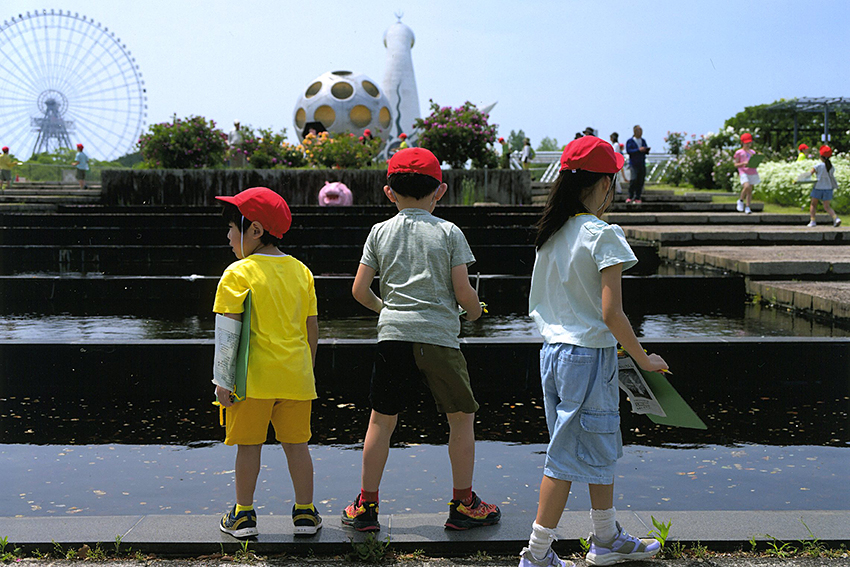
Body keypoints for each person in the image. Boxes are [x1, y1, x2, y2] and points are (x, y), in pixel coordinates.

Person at [518, 136, 667, 567]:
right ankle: (537, 554)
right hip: (587, 356)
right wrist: (643, 358)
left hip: (555, 354)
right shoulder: (602, 234)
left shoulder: (551, 234)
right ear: (605, 183)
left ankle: (606, 537)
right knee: (565, 456)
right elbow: (611, 312)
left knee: (598, 445)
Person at [342, 147, 501, 532]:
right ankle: (463, 505)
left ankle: (366, 507)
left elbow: (359, 290)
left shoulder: (379, 232)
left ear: (389, 192)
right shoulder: (448, 232)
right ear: (440, 191)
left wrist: (387, 309)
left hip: (393, 337)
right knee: (461, 419)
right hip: (439, 339)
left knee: (381, 421)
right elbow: (462, 290)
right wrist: (474, 312)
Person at [212, 187, 322, 538]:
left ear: (256, 230)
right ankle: (305, 514)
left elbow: (228, 333)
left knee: (248, 447)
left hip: (252, 381)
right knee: (297, 446)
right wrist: (306, 371)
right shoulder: (301, 271)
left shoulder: (237, 273)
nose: (229, 236)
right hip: (296, 378)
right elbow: (311, 329)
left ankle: (243, 515)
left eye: (233, 228)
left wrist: (222, 381)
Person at [806, 146, 841, 228]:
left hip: (818, 188)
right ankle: (836, 218)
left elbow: (810, 173)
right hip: (828, 188)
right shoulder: (831, 166)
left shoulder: (818, 166)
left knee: (813, 204)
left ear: (821, 156)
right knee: (827, 206)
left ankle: (812, 221)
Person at [734, 133, 759, 214]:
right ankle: (741, 200)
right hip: (743, 171)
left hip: (752, 171)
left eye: (749, 143)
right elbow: (735, 164)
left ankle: (748, 206)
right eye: (746, 143)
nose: (748, 145)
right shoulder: (739, 152)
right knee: (746, 186)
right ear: (742, 143)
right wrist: (743, 163)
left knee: (749, 190)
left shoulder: (752, 152)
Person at [625, 125, 649, 204]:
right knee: (633, 179)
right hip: (634, 163)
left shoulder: (643, 141)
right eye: (639, 131)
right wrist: (638, 150)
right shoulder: (630, 141)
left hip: (641, 163)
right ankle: (630, 196)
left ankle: (638, 197)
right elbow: (629, 151)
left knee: (640, 180)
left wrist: (645, 150)